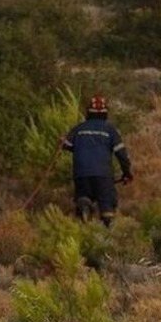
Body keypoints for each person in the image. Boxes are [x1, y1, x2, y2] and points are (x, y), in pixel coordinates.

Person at [61, 94, 133, 228]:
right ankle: (107, 231)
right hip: (103, 174)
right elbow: (121, 154)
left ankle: (84, 207)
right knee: (107, 203)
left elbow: (65, 145)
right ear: (105, 113)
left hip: (81, 173)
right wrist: (127, 173)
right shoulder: (110, 130)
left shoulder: (78, 129)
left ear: (88, 112)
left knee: (83, 195)